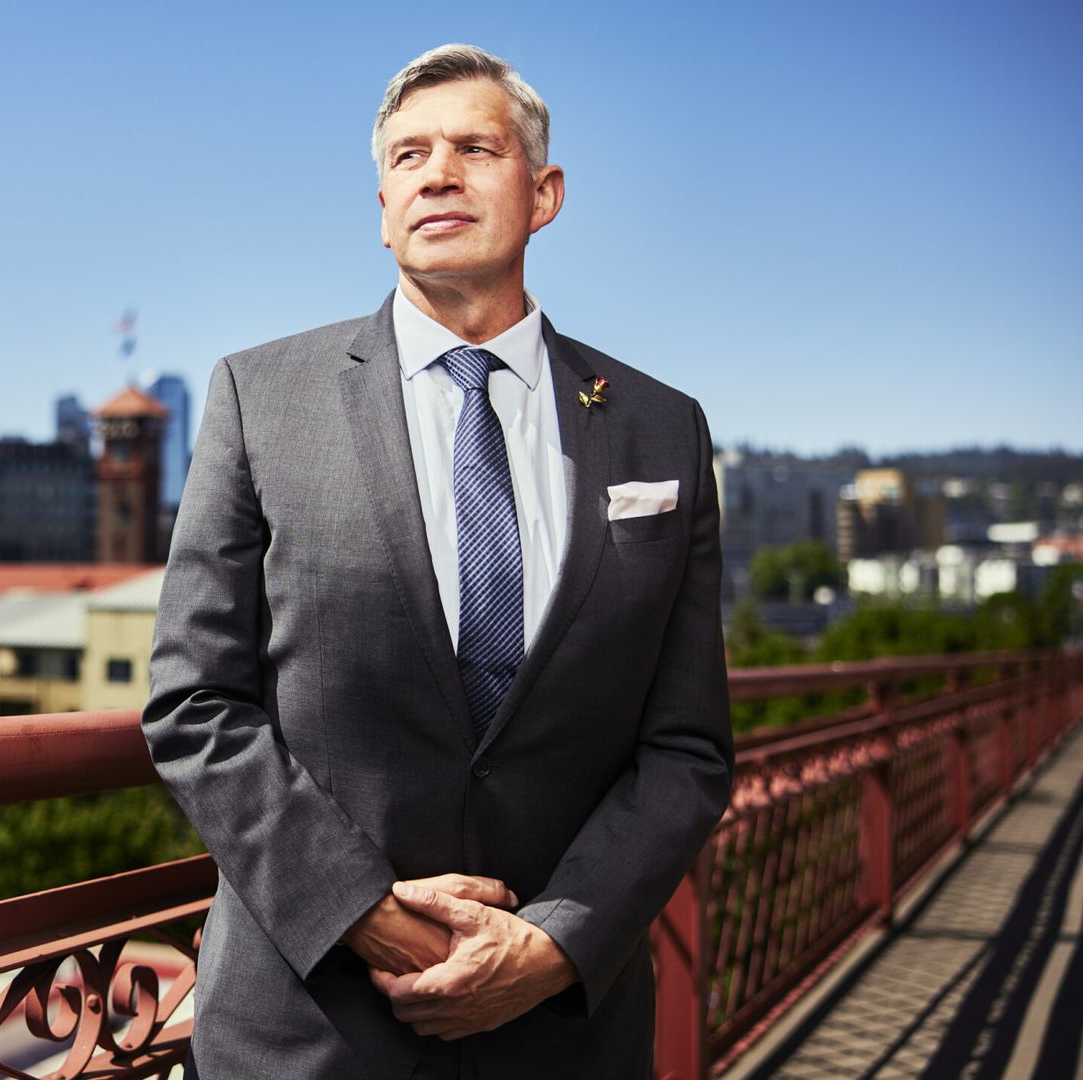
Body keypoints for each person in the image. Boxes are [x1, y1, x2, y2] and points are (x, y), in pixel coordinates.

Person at [142, 43, 735, 1078]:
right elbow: (195, 702)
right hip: (308, 1028)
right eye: (411, 154)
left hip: (566, 1034)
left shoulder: (663, 430)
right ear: (383, 206)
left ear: (544, 193)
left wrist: (555, 941)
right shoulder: (258, 398)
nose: (440, 172)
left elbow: (685, 747)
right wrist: (365, 913)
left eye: (476, 147)